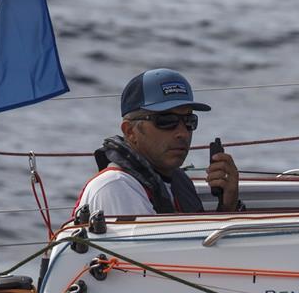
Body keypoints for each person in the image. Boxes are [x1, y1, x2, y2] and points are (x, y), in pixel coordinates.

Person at [74, 68, 243, 216]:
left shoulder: (177, 183)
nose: (182, 133)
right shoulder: (115, 187)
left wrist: (228, 205)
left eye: (189, 120)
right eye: (167, 121)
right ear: (130, 131)